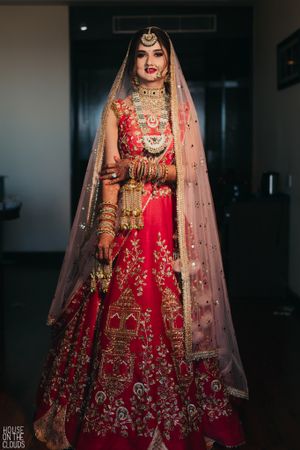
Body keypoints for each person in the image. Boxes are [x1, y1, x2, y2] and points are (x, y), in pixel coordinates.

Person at [33, 27, 249, 450]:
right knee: (114, 314)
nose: (150, 62)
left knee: (174, 317)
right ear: (131, 64)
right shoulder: (116, 109)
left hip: (168, 229)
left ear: (169, 64)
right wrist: (107, 228)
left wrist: (140, 168)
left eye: (158, 54)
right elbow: (109, 174)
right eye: (141, 55)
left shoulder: (181, 113)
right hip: (129, 227)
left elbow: (190, 175)